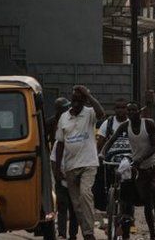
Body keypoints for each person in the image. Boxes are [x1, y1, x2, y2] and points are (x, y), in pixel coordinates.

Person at [102, 101, 155, 240]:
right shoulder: (125, 126)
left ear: (139, 112)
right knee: (147, 202)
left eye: (133, 110)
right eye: (128, 110)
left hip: (154, 166)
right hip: (140, 169)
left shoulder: (148, 124)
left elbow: (154, 146)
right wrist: (103, 152)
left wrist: (141, 158)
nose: (130, 113)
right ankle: (153, 234)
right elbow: (112, 139)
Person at [55, 86, 106, 240]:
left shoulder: (90, 113)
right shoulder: (64, 117)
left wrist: (88, 94)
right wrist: (58, 167)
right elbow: (60, 144)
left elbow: (101, 113)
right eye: (74, 99)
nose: (76, 102)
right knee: (77, 205)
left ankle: (89, 233)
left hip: (88, 164)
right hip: (70, 166)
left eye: (80, 99)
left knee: (85, 194)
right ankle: (86, 232)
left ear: (84, 101)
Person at [50, 98, 79, 240]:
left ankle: (72, 235)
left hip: (74, 178)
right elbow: (53, 159)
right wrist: (57, 175)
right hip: (61, 179)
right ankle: (62, 234)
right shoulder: (58, 142)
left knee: (74, 210)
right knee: (62, 207)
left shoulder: (78, 142)